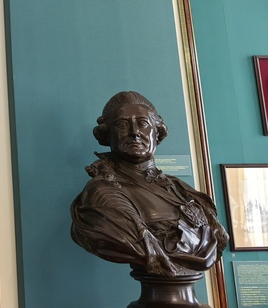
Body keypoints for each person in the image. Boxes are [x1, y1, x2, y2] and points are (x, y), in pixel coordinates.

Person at [70, 91, 228, 278]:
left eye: (142, 123)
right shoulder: (102, 191)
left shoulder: (183, 190)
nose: (134, 132)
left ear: (157, 131)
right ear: (108, 135)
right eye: (122, 124)